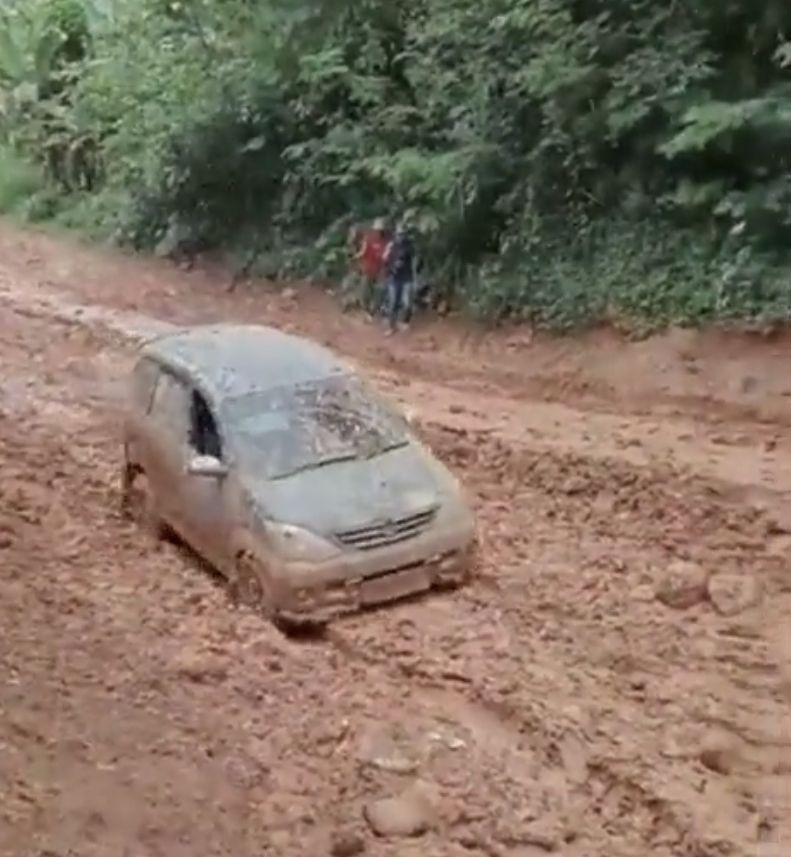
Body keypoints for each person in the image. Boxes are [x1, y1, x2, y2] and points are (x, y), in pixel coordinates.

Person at [341, 218, 388, 313]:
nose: (377, 232)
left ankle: (369, 307)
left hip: (378, 269)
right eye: (376, 230)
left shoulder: (384, 242)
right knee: (364, 288)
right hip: (368, 268)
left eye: (379, 231)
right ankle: (361, 305)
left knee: (374, 290)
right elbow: (363, 251)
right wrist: (354, 257)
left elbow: (385, 256)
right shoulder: (369, 239)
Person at [383, 221, 417, 334]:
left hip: (407, 277)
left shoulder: (409, 246)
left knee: (407, 303)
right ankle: (391, 327)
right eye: (399, 234)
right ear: (396, 234)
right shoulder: (391, 246)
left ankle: (404, 322)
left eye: (403, 234)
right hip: (394, 278)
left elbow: (413, 259)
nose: (400, 236)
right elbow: (385, 259)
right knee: (393, 303)